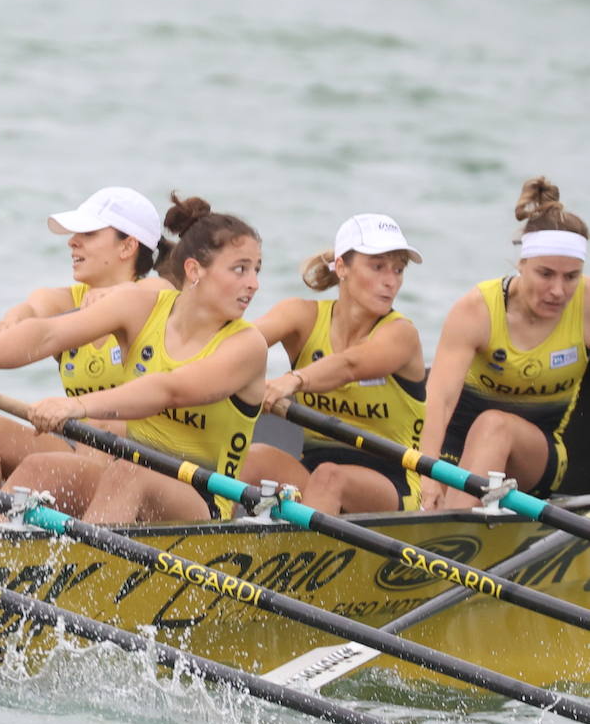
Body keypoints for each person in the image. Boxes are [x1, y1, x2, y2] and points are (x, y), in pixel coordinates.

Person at [0, 195, 265, 524]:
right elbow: (47, 335)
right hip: (123, 475)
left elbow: (170, 390)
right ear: (194, 270)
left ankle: (82, 568)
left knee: (130, 473)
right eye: (240, 270)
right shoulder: (143, 307)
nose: (253, 284)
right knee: (42, 468)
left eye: (255, 270)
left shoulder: (247, 345)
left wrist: (77, 406)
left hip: (201, 500)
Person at [0, 187, 173, 483]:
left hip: (143, 456)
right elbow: (33, 308)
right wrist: (12, 320)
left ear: (127, 247)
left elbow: (162, 290)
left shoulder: (155, 297)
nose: (72, 242)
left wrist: (121, 294)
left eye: (89, 234)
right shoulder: (64, 299)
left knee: (106, 424)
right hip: (79, 443)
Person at [239, 214, 426, 513]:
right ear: (341, 267)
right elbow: (240, 345)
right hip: (313, 468)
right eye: (377, 267)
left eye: (398, 270)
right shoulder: (301, 315)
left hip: (393, 480)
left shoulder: (400, 334)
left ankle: (299, 557)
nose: (391, 281)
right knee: (251, 457)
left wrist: (293, 380)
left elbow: (350, 365)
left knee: (330, 477)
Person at [421, 177, 589, 509]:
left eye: (571, 277)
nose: (558, 290)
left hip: (537, 457)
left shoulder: (586, 304)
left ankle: (445, 539)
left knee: (494, 425)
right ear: (521, 264)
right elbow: (437, 403)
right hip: (455, 448)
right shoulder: (477, 310)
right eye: (545, 274)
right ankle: (445, 524)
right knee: (437, 481)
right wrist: (427, 476)